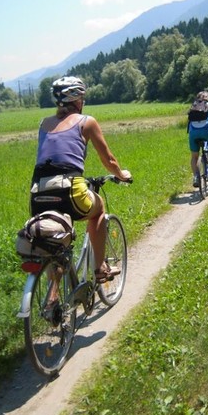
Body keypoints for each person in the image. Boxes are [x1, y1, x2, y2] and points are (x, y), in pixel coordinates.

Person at [30, 76, 132, 283]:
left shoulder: (44, 124)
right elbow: (109, 159)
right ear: (77, 100)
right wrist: (122, 175)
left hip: (38, 192)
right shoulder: (86, 122)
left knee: (55, 244)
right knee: (99, 208)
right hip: (70, 189)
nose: (83, 103)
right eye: (82, 99)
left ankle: (53, 299)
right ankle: (100, 267)